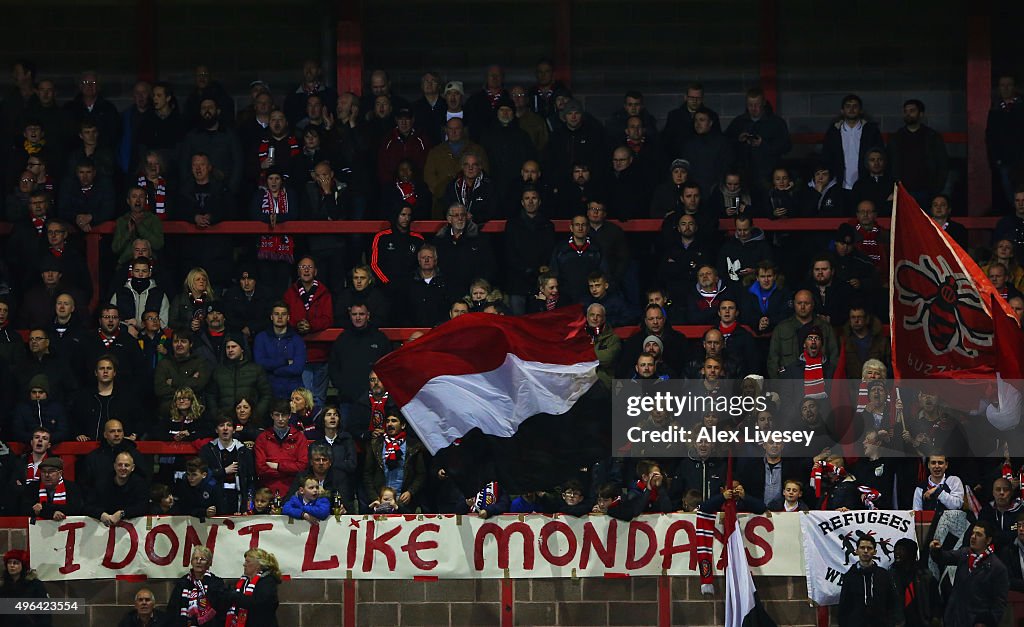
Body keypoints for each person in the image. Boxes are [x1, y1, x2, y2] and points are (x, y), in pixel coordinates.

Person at [930, 520, 1009, 627]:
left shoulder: (997, 568)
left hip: (976, 622)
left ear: (988, 540)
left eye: (979, 534)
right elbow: (943, 557)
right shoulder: (964, 554)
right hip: (954, 619)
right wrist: (936, 550)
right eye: (973, 533)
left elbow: (999, 603)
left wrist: (987, 622)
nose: (973, 537)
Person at [837, 535, 900, 626]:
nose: (866, 551)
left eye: (869, 548)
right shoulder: (849, 576)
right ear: (857, 551)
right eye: (862, 548)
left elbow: (892, 603)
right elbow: (844, 607)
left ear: (875, 552)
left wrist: (891, 623)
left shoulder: (884, 575)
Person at [200, 416, 256, 515]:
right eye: (221, 425)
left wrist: (246, 507)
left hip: (237, 499)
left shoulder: (244, 451)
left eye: (229, 425)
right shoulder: (207, 450)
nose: (225, 428)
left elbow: (250, 479)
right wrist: (224, 471)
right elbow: (202, 475)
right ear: (216, 430)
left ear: (234, 430)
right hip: (214, 498)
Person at [254, 399, 309, 498]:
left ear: (289, 415)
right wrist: (289, 471)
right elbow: (261, 469)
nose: (280, 419)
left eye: (283, 415)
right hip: (267, 491)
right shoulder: (262, 438)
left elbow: (302, 467)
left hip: (294, 490)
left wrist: (278, 466)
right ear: (271, 416)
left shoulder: (299, 437)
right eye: (277, 415)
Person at [253, 302, 306, 401]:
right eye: (276, 314)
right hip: (268, 391)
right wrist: (285, 362)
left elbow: (298, 368)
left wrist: (274, 371)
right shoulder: (261, 338)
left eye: (284, 314)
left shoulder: (297, 339)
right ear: (271, 317)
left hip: (292, 392)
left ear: (289, 317)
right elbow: (260, 363)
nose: (280, 317)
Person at [166, 546, 225, 627]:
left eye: (202, 559)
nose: (198, 561)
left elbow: (221, 611)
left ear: (209, 563)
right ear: (191, 562)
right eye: (195, 558)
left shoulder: (216, 583)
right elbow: (172, 610)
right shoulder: (182, 583)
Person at [223, 548, 282, 627]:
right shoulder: (243, 582)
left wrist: (234, 596)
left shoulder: (268, 582)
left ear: (259, 565)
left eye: (248, 561)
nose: (244, 564)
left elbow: (257, 603)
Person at [0, 549, 51, 627]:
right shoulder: (3, 586)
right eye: (9, 562)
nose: (12, 565)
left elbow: (45, 612)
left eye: (16, 563)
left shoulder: (34, 585)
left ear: (23, 565)